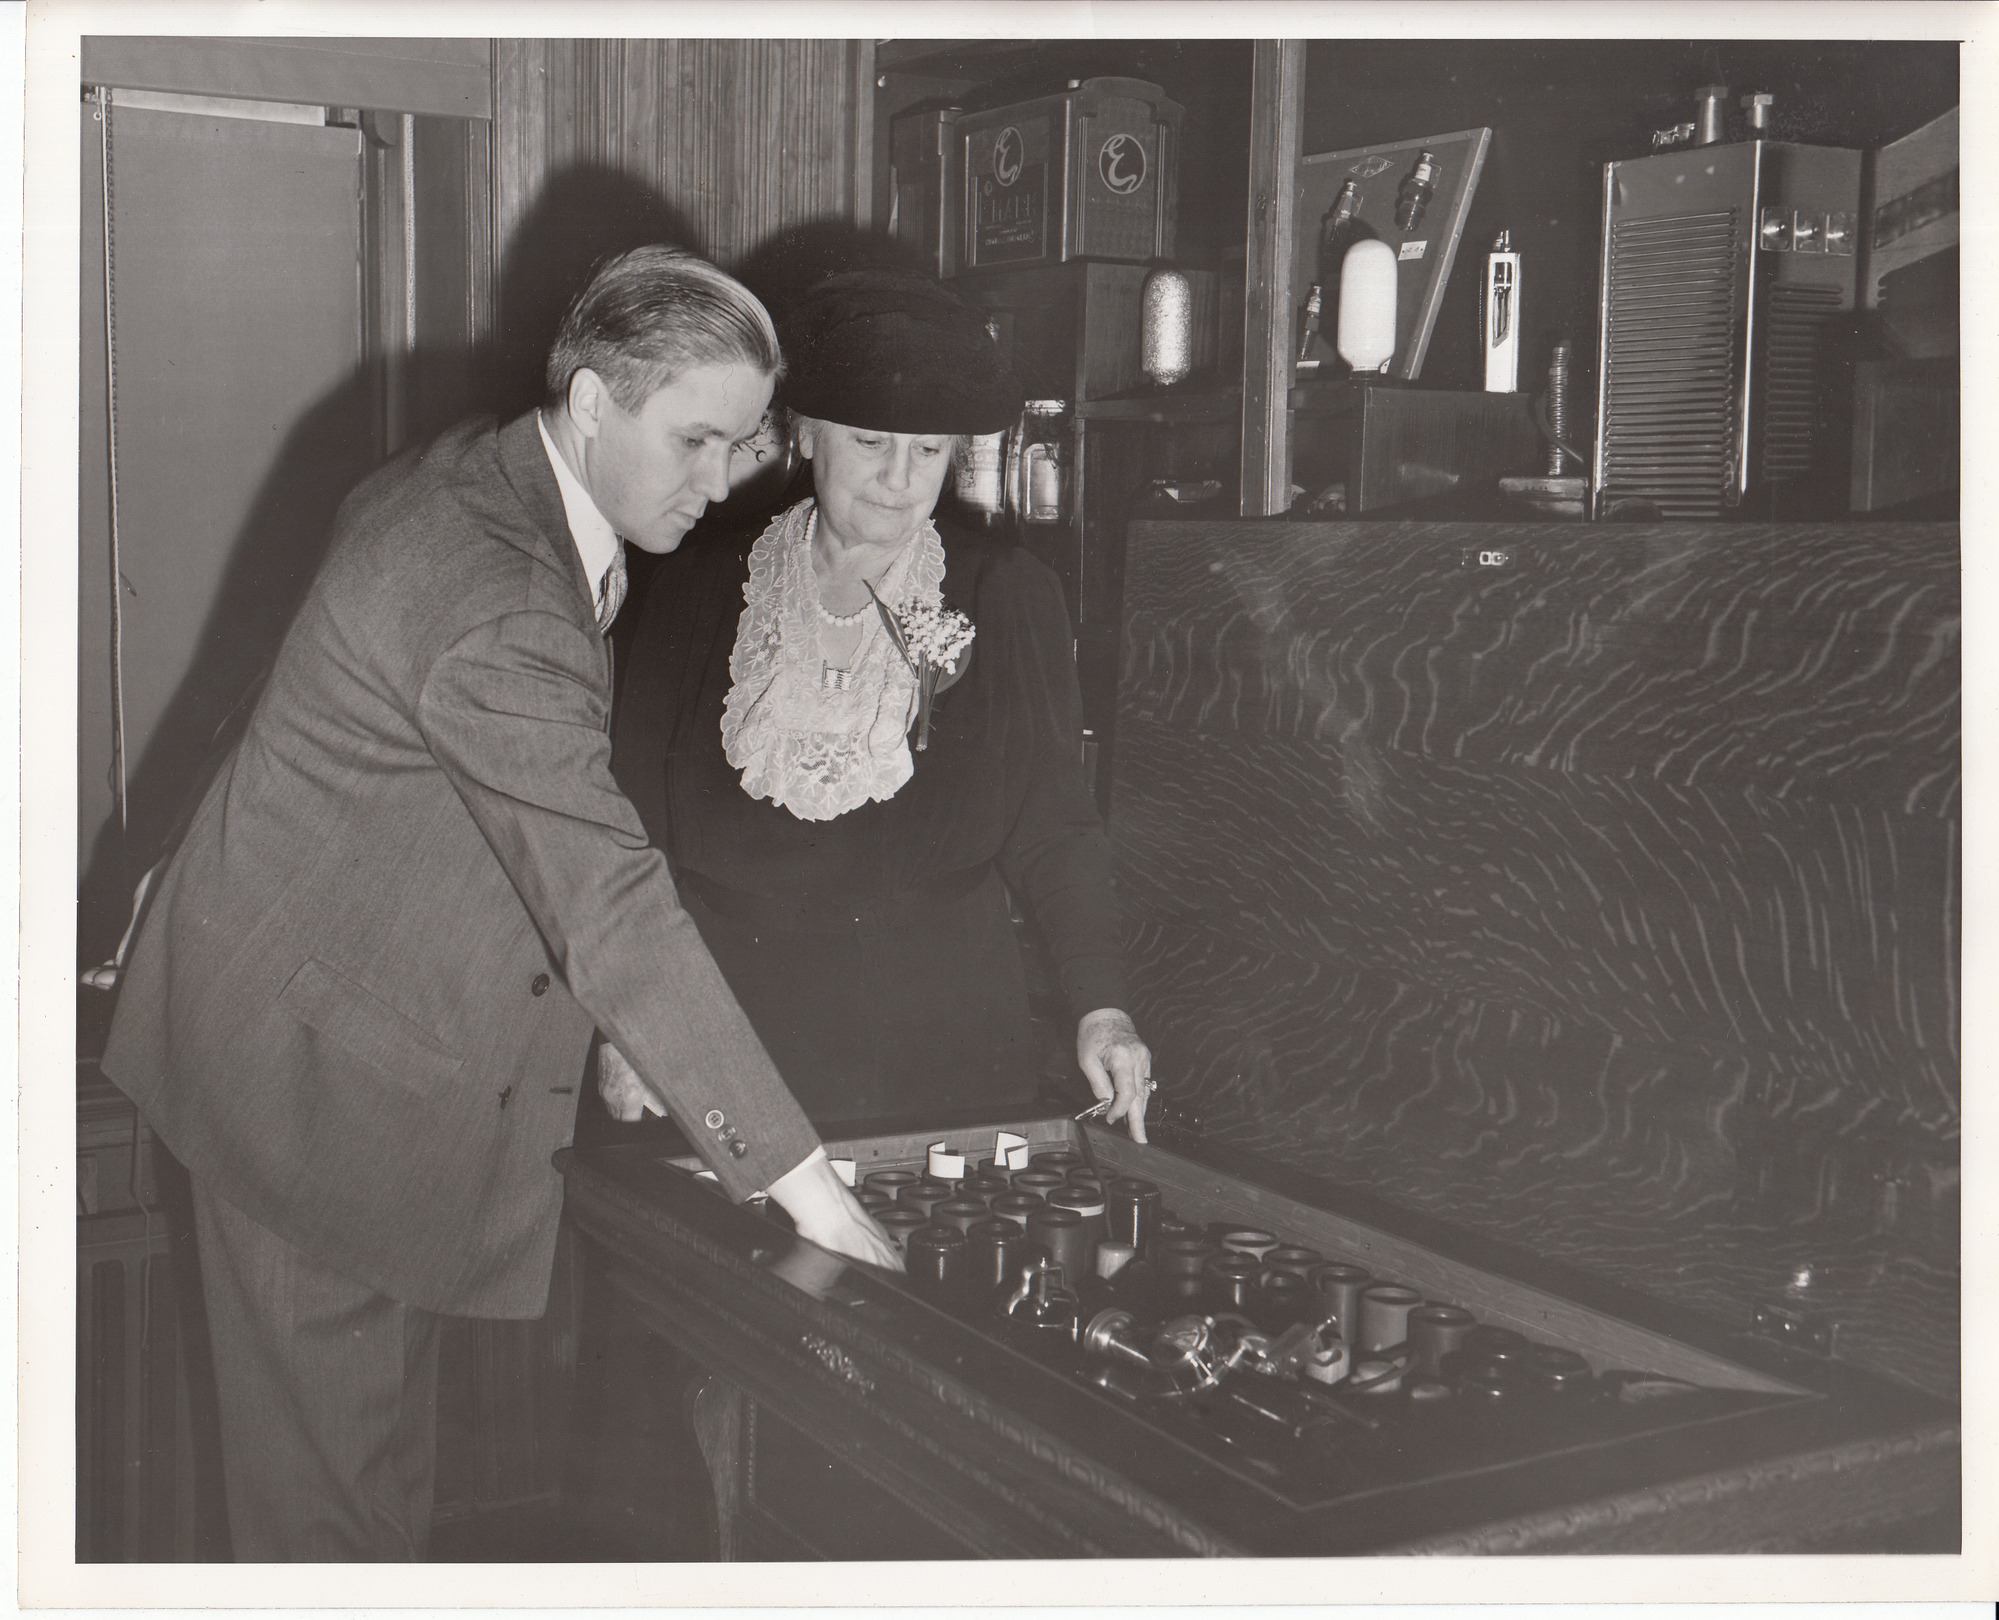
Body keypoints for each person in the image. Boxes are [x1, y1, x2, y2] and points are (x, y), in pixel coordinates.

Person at [98, 246, 898, 1562]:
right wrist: (804, 1187)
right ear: (591, 403)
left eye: (744, 444)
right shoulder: (496, 589)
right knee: (326, 1531)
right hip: (304, 1092)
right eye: (695, 441)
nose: (722, 481)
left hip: (326, 1026)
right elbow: (606, 900)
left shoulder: (489, 477)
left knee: (374, 1494)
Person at [607, 268, 1154, 1137]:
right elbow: (626, 827)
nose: (900, 480)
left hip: (943, 1038)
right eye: (870, 442)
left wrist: (1101, 1005)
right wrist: (630, 1024)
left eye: (928, 451)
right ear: (807, 436)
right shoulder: (695, 587)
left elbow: (1055, 822)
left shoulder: (1006, 591)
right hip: (728, 1027)